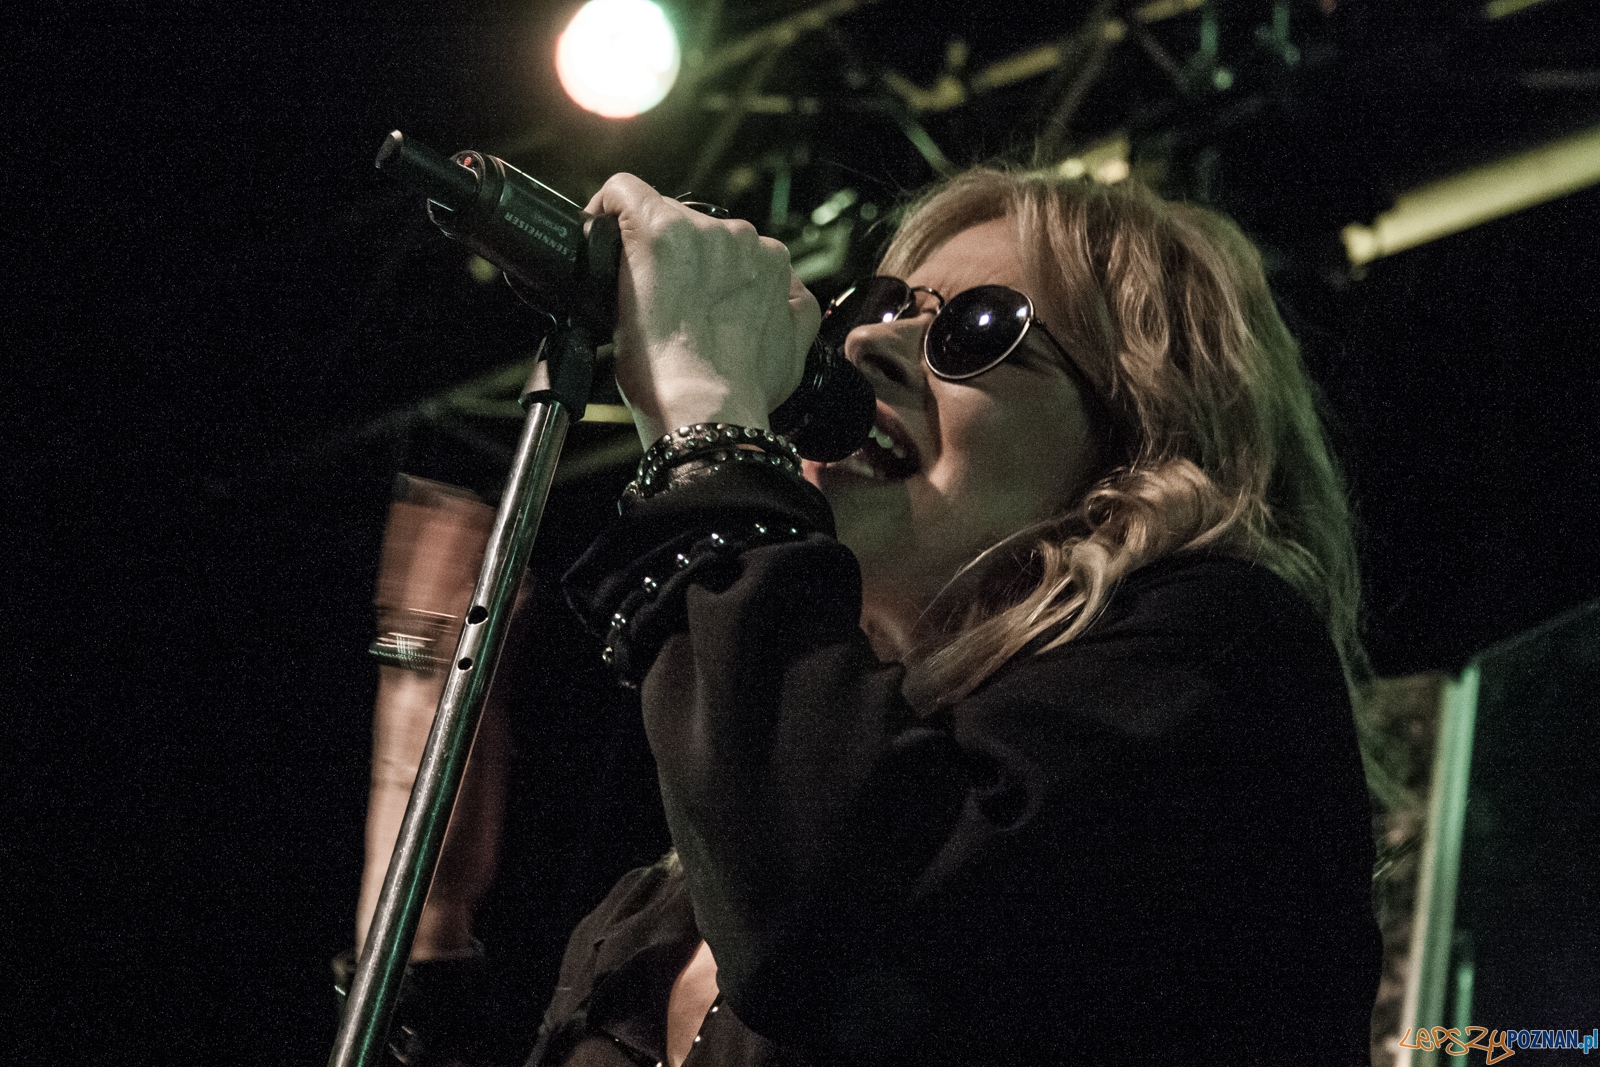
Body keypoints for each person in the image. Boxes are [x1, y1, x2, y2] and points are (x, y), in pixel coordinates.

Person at [351, 166, 1384, 1067]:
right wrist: (427, 909)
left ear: (1136, 449)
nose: (874, 340)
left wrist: (710, 422)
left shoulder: (1221, 667)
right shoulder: (666, 908)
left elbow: (846, 937)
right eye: (882, 302)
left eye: (979, 330)